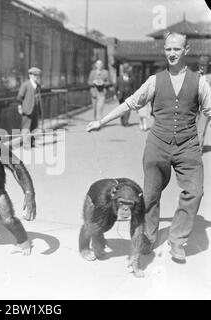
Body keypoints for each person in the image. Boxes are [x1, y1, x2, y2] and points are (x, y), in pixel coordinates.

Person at [86, 32, 211, 262]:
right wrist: (101, 121)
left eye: (177, 49)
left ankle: (176, 239)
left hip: (188, 145)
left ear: (186, 50)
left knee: (195, 191)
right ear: (164, 51)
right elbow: (130, 103)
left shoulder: (199, 82)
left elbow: (210, 109)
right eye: (168, 49)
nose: (172, 53)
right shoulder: (155, 81)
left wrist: (200, 134)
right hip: (157, 144)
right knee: (150, 195)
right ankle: (149, 236)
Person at [17, 67, 42, 149]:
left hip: (35, 109)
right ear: (30, 75)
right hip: (27, 109)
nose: (36, 77)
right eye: (34, 75)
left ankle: (33, 142)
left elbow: (38, 98)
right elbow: (20, 97)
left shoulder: (38, 85)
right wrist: (20, 107)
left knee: (34, 127)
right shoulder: (25, 84)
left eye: (37, 75)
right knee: (26, 127)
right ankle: (26, 144)